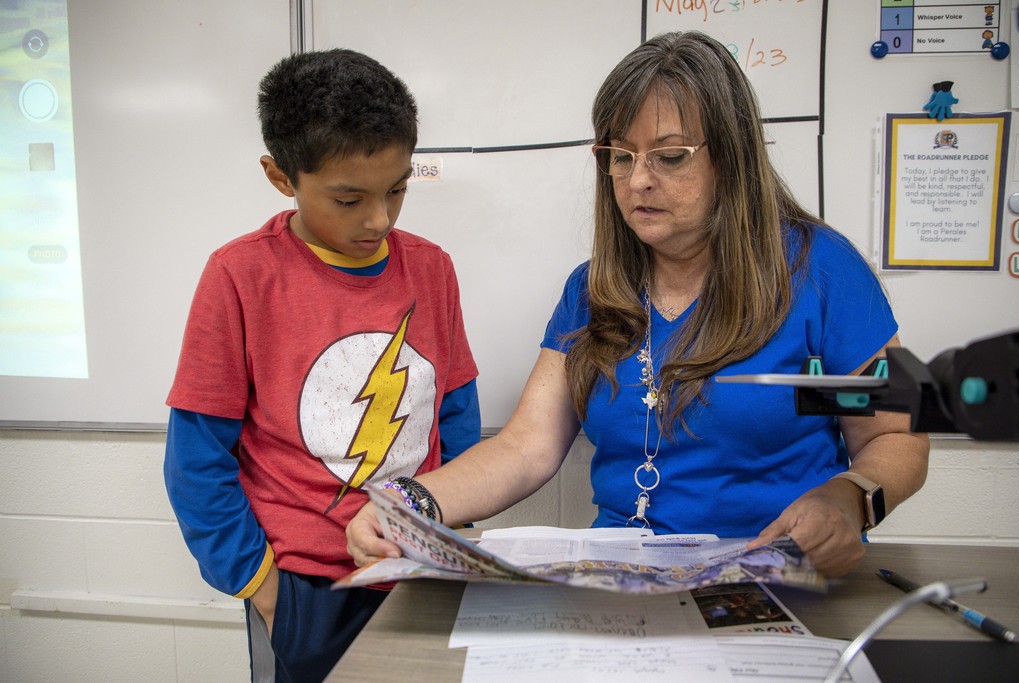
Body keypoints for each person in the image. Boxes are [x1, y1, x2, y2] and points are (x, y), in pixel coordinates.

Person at [347, 31, 928, 579]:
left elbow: (897, 436)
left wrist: (853, 498)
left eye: (669, 157)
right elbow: (525, 449)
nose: (637, 180)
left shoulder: (821, 269)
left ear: (731, 157)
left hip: (778, 576)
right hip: (624, 582)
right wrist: (409, 502)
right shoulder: (592, 289)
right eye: (620, 156)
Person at [163, 49, 480, 683]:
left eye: (397, 190)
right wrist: (264, 587)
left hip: (422, 571)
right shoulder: (240, 276)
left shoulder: (431, 268)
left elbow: (457, 417)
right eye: (349, 198)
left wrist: (454, 531)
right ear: (281, 176)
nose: (380, 218)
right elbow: (196, 459)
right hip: (306, 588)